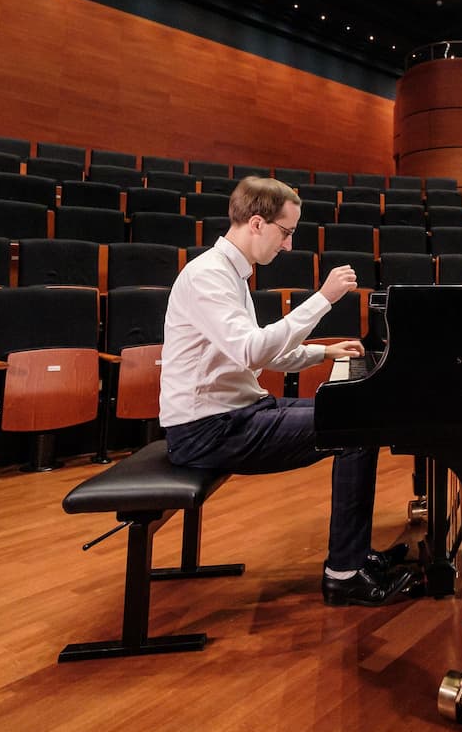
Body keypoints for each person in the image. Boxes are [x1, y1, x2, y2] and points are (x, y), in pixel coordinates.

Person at [159, 176, 416, 606]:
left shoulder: (230, 274)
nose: (289, 245)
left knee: (357, 414)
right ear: (256, 224)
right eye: (286, 231)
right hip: (209, 429)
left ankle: (356, 556)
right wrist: (323, 298)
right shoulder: (207, 276)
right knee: (355, 428)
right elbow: (250, 349)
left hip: (237, 413)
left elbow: (260, 355)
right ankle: (344, 574)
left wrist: (323, 353)